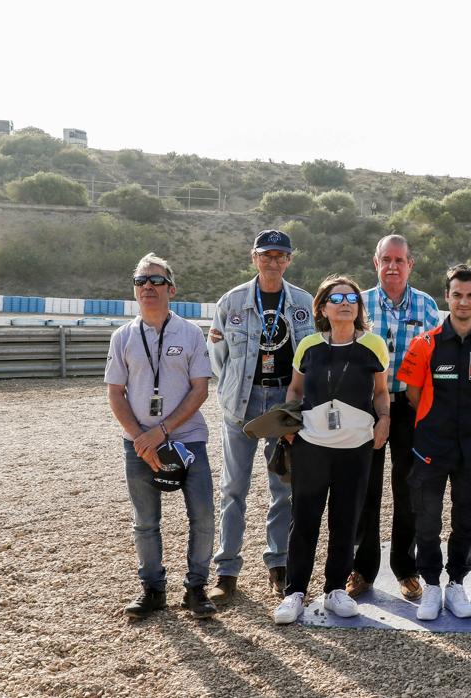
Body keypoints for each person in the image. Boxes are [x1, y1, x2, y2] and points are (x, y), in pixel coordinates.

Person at [272, 276, 391, 624]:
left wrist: (383, 418)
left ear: (358, 307)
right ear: (323, 307)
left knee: (345, 519)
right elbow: (294, 391)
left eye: (352, 298)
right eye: (336, 298)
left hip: (356, 447)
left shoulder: (374, 345)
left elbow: (381, 392)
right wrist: (289, 427)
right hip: (312, 446)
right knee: (304, 520)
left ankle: (335, 589)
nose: (345, 303)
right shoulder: (308, 345)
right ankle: (294, 592)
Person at [207, 230, 316, 604]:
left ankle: (278, 564)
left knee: (283, 487)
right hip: (242, 400)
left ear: (289, 260)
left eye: (280, 256)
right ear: (254, 258)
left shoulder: (303, 302)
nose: (273, 262)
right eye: (266, 255)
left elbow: (311, 356)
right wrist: (235, 391)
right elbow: (218, 358)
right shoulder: (232, 301)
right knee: (233, 488)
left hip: (284, 401)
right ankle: (227, 570)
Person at [106, 254, 216, 620]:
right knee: (144, 521)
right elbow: (115, 393)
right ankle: (152, 590)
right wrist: (141, 438)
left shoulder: (190, 333)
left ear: (171, 288)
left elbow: (200, 389)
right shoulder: (122, 336)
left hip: (188, 439)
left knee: (201, 516)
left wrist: (161, 432)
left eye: (155, 281)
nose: (147, 287)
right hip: (137, 443)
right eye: (140, 281)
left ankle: (196, 589)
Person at [397, 264, 471, 621]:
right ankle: (431, 584)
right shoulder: (425, 343)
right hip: (431, 445)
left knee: (465, 517)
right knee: (427, 519)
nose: (464, 302)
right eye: (457, 295)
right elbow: (413, 395)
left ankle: (456, 582)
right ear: (446, 296)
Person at [351, 235, 441, 602]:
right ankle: (362, 567)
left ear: (410, 264)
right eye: (385, 259)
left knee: (408, 489)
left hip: (410, 404)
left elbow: (437, 361)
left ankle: (406, 568)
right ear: (376, 263)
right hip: (367, 404)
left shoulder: (428, 305)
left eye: (398, 260)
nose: (392, 266)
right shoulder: (359, 303)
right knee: (365, 489)